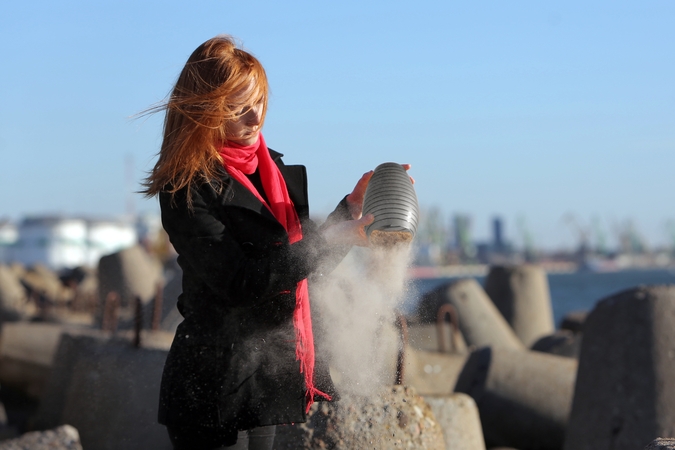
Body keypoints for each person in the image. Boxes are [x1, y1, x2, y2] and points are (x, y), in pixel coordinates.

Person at [142, 35, 378, 449]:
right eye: (237, 108)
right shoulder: (186, 187)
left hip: (270, 377)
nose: (256, 118)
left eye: (260, 101)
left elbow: (304, 266)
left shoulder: (276, 173)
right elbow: (240, 283)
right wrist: (323, 244)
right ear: (205, 113)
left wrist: (350, 213)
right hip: (213, 386)